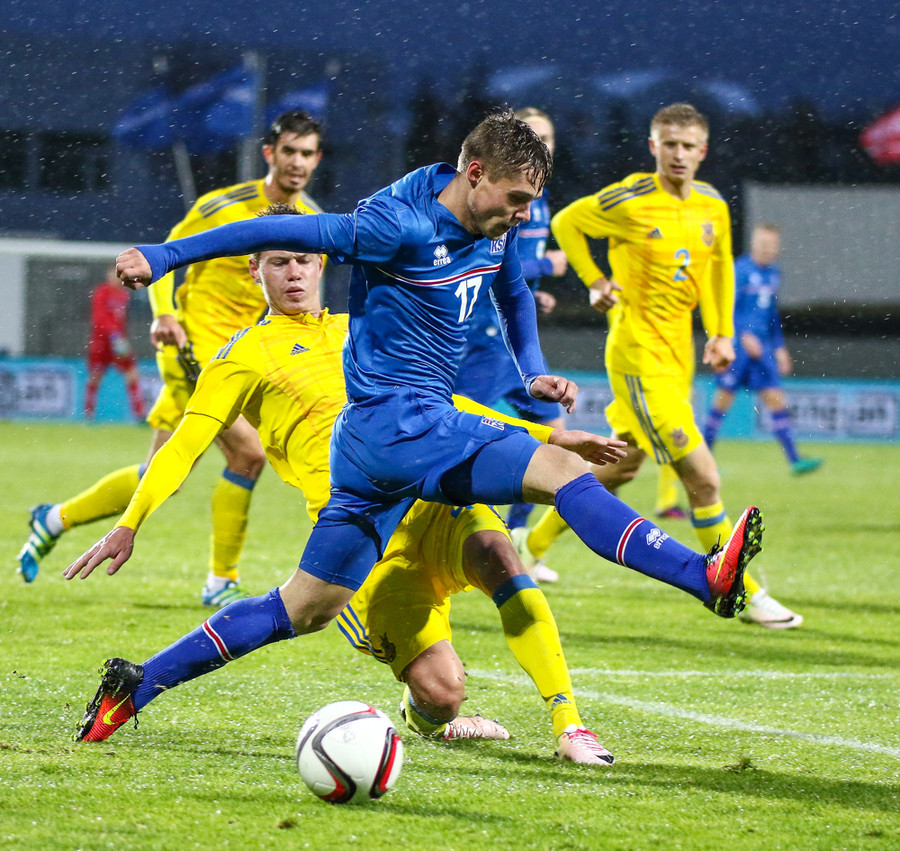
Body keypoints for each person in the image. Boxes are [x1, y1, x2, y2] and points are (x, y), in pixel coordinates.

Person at [77, 109, 764, 762]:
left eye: (531, 201)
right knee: (561, 476)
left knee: (303, 607)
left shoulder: (491, 220)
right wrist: (165, 255)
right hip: (405, 425)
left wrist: (533, 372)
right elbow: (270, 231)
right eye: (517, 199)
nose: (524, 215)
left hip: (370, 449)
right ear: (475, 174)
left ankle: (136, 685)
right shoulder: (394, 225)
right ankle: (702, 577)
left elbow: (513, 291)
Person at [71, 214, 619, 763]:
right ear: (254, 268)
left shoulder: (365, 329)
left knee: (499, 555)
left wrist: (550, 436)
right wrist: (130, 521)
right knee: (442, 693)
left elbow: (442, 407)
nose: (293, 273)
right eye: (278, 262)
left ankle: (570, 726)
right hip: (359, 530)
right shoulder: (241, 356)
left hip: (430, 495)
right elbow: (183, 446)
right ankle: (144, 684)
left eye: (303, 260)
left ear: (321, 264)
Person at [16, 111, 324, 603]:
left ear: (317, 159)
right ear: (270, 153)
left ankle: (53, 519)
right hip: (194, 346)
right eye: (289, 150)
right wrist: (164, 315)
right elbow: (163, 254)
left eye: (307, 153)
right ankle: (221, 581)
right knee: (248, 454)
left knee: (162, 473)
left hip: (246, 355)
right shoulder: (223, 205)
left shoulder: (310, 220)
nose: (297, 162)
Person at [522, 103, 799, 630]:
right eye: (668, 143)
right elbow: (567, 222)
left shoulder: (711, 205)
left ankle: (529, 548)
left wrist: (720, 331)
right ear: (653, 146)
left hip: (678, 357)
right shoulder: (629, 199)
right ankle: (737, 589)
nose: (678, 154)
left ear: (702, 151)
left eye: (687, 145)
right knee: (703, 476)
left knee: (619, 467)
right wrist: (596, 282)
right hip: (637, 355)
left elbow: (718, 269)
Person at [452, 107, 567, 584]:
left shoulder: (536, 203)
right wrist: (548, 267)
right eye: (533, 136)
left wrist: (534, 289)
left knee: (555, 435)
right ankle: (449, 535)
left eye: (548, 138)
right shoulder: (495, 199)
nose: (542, 145)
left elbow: (513, 273)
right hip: (480, 338)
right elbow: (484, 260)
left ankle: (518, 536)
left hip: (513, 349)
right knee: (454, 443)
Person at [702, 223, 824, 476]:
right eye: (763, 243)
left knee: (776, 399)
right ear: (753, 243)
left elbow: (771, 316)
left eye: (771, 244)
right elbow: (725, 306)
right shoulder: (740, 270)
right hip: (738, 348)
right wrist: (743, 334)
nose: (767, 249)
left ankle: (795, 460)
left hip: (764, 348)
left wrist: (779, 347)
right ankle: (703, 463)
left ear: (777, 247)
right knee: (722, 402)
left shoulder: (774, 273)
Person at [83, 265, 146, 422]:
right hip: (101, 342)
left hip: (118, 342)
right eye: (114, 275)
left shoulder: (124, 294)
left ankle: (139, 413)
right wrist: (113, 334)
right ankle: (88, 413)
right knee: (95, 376)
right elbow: (99, 318)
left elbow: (121, 320)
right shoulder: (101, 292)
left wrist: (120, 336)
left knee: (132, 373)